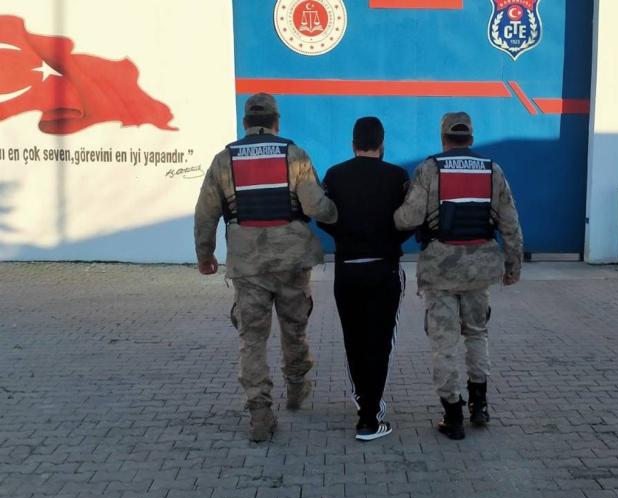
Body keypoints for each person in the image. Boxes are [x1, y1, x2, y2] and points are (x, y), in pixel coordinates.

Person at [194, 93, 337, 441]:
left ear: (246, 123)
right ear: (276, 122)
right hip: (291, 259)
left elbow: (205, 213)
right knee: (294, 328)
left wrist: (205, 254)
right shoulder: (294, 155)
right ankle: (297, 385)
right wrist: (339, 214)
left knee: (252, 339)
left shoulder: (224, 160)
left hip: (248, 262)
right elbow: (315, 206)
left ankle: (259, 412)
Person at [393, 112, 523, 440]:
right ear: (471, 138)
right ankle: (480, 405)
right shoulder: (493, 170)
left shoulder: (429, 169)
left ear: (443, 138)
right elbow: (510, 224)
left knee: (444, 342)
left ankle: (452, 415)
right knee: (477, 334)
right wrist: (512, 267)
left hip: (440, 270)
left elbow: (408, 219)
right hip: (480, 269)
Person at [318, 116, 411, 442]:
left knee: (354, 340)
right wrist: (391, 240)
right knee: (380, 343)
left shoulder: (334, 175)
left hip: (348, 268)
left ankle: (364, 403)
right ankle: (370, 417)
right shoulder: (398, 176)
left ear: (353, 144)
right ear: (382, 144)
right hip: (384, 268)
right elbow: (410, 219)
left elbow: (323, 216)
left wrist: (343, 236)